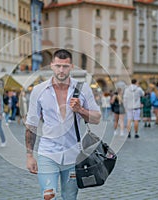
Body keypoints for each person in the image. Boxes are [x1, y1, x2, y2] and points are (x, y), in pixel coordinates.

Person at [25, 49, 101, 199]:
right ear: (51, 65)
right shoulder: (39, 90)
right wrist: (29, 155)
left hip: (73, 155)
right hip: (48, 152)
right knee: (48, 195)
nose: (61, 70)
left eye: (65, 66)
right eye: (58, 65)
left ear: (71, 67)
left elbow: (97, 118)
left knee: (69, 196)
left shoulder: (82, 89)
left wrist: (80, 110)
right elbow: (31, 125)